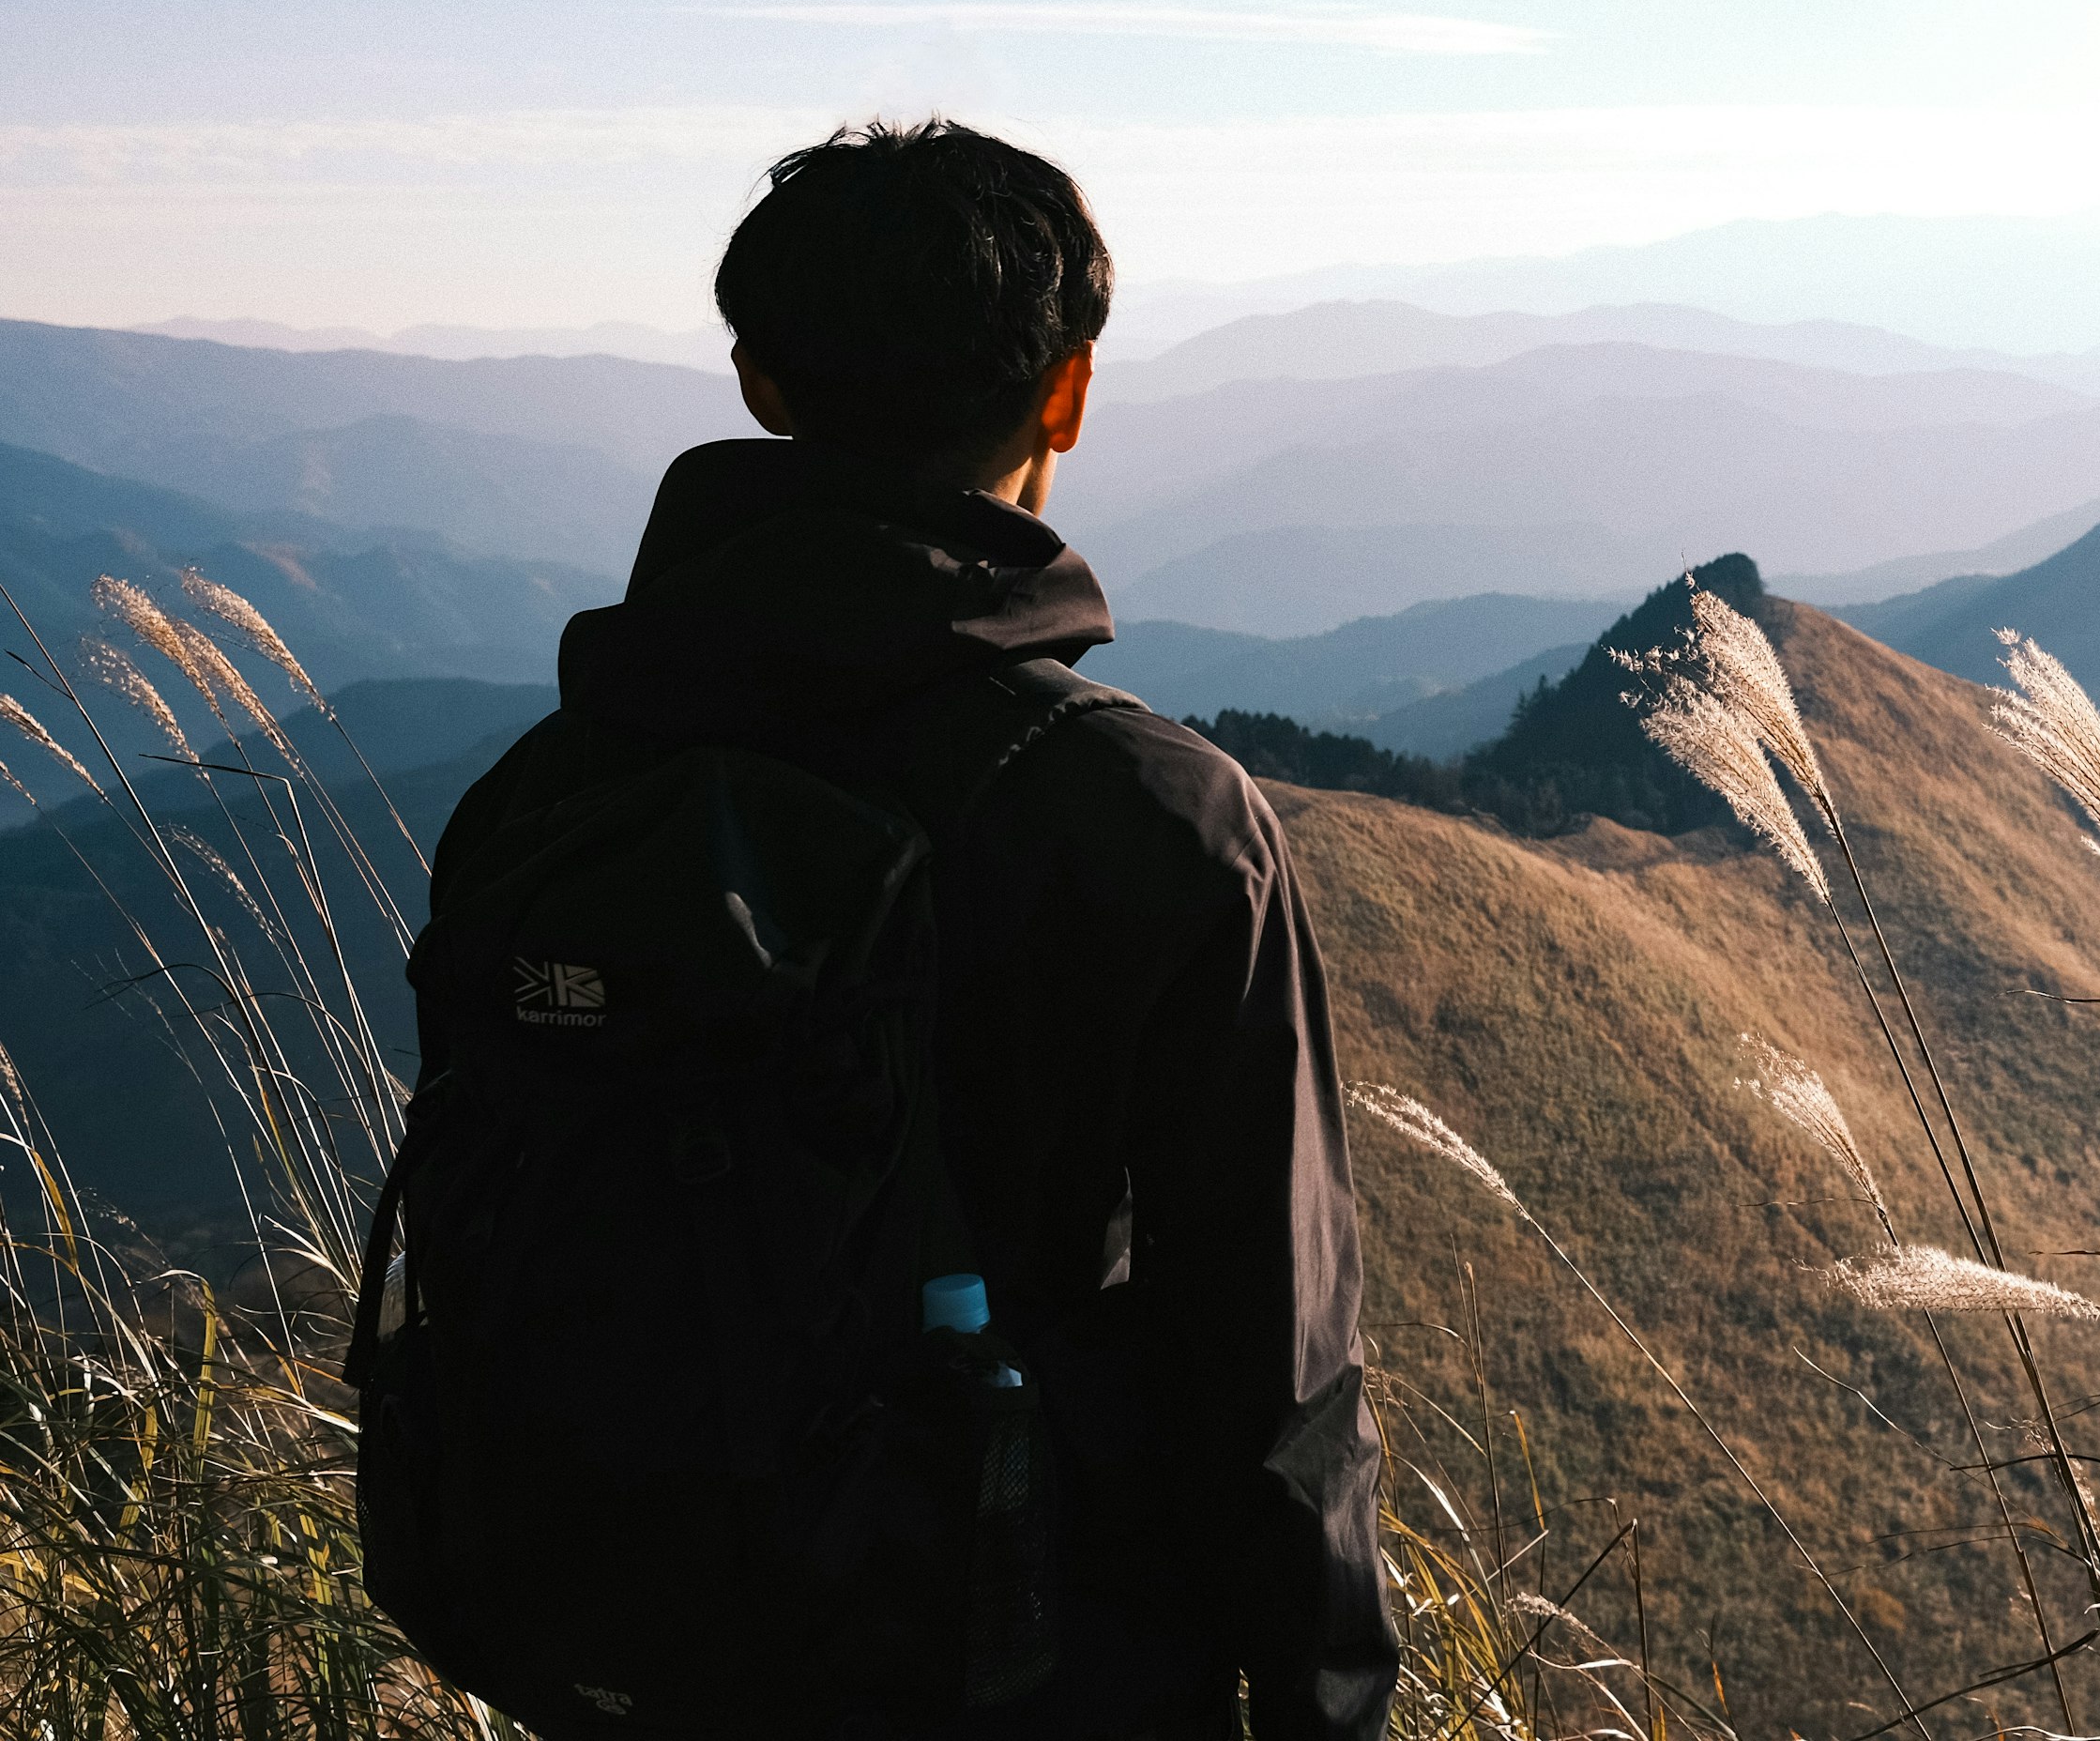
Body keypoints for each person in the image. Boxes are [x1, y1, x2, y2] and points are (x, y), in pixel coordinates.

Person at [429, 119, 1399, 1738]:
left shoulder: (550, 796)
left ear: (759, 383)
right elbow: (1277, 1376)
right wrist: (1327, 1707)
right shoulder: (1155, 822)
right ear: (1067, 395)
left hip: (631, 1649)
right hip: (1030, 1665)